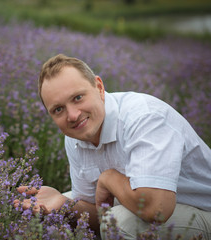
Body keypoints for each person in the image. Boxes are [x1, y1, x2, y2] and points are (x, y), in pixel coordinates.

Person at [14, 54, 211, 239]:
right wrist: (63, 204)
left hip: (204, 211)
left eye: (78, 98)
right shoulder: (76, 135)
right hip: (154, 209)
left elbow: (156, 208)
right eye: (58, 109)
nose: (72, 115)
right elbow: (97, 212)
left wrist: (108, 178)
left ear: (99, 87)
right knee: (51, 211)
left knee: (117, 222)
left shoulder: (144, 117)